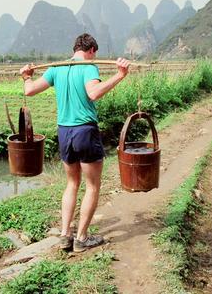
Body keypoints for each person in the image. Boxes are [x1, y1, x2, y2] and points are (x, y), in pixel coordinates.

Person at [19, 33, 130, 253]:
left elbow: (29, 90)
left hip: (64, 132)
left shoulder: (57, 68)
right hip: (85, 131)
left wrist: (27, 76)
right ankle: (81, 238)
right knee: (92, 185)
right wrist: (120, 75)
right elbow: (94, 93)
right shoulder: (89, 66)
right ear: (91, 51)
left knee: (71, 183)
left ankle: (64, 235)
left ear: (75, 49)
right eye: (93, 54)